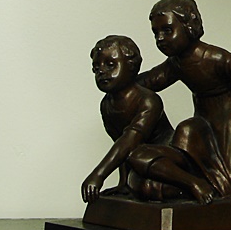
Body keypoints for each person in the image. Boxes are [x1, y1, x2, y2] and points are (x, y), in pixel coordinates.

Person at [139, 0, 231, 197]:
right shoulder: (176, 64)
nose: (160, 38)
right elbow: (151, 81)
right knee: (191, 145)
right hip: (204, 123)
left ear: (189, 26)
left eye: (167, 30)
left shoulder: (214, 58)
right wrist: (122, 82)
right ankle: (191, 185)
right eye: (156, 33)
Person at [82, 35, 215, 204]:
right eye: (96, 68)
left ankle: (194, 183)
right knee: (139, 184)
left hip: (170, 157)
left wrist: (98, 175)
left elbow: (129, 141)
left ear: (131, 65)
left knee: (137, 155)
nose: (101, 71)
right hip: (143, 164)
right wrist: (124, 184)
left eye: (110, 64)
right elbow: (119, 143)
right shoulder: (107, 105)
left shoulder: (148, 100)